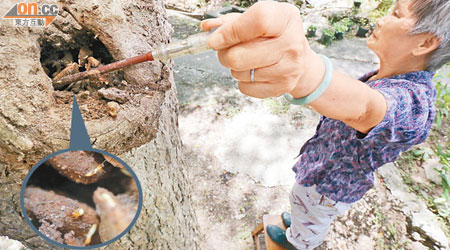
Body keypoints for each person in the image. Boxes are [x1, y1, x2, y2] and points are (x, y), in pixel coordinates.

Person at [200, 0, 450, 249]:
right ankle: (300, 223)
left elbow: (366, 108)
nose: (381, 20)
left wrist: (303, 70)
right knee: (303, 205)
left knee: (311, 218)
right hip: (320, 172)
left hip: (328, 188)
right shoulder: (390, 75)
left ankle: (298, 242)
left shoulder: (416, 105)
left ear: (425, 43)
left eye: (396, 14)